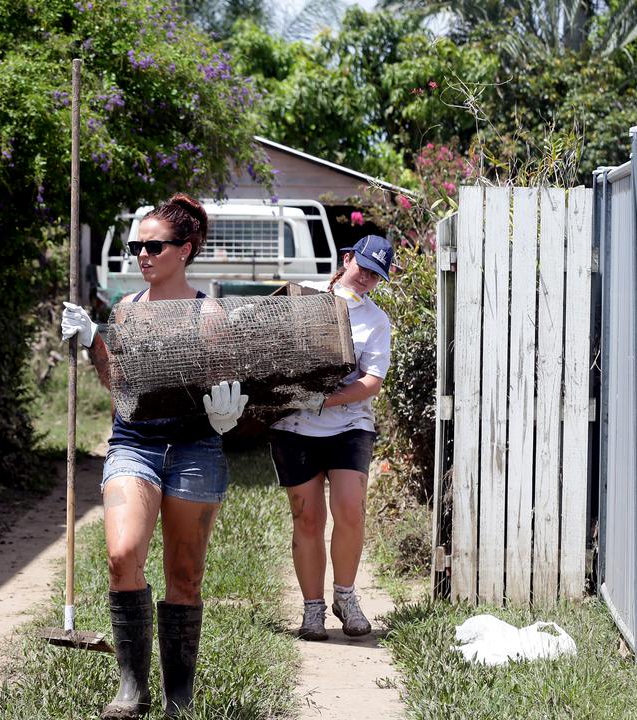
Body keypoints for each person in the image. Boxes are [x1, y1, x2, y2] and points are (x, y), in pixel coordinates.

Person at [62, 193, 247, 720]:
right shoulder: (127, 310)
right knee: (122, 557)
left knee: (184, 577)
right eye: (135, 245)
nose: (141, 254)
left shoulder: (208, 314)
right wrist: (94, 340)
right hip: (135, 444)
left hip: (195, 448)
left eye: (153, 245)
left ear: (184, 250)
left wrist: (229, 415)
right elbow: (118, 386)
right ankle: (131, 688)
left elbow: (235, 387)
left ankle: (179, 697)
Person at [269, 234, 393, 641]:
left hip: (349, 425)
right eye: (363, 268)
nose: (366, 279)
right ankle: (312, 610)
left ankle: (345, 596)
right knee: (307, 518)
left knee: (350, 511)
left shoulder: (375, 320)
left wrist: (327, 400)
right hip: (294, 427)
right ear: (347, 259)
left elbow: (372, 381)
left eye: (376, 276)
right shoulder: (303, 298)